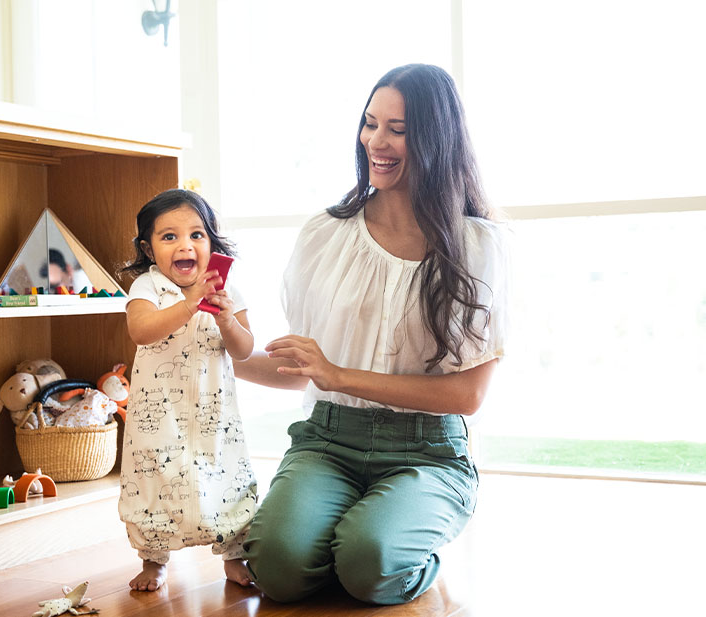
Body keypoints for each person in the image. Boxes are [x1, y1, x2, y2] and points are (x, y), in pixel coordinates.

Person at [235, 64, 510, 605]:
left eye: (398, 130)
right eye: (369, 124)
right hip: (329, 441)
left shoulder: (479, 247)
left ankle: (380, 542)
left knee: (371, 565)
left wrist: (339, 375)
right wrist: (207, 350)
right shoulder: (325, 235)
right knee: (276, 568)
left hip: (428, 451)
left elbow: (467, 396)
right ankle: (351, 538)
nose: (375, 142)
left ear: (435, 138)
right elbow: (301, 371)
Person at [117, 188, 258, 591]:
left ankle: (234, 554)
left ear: (211, 241)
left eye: (197, 235)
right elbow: (141, 331)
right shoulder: (148, 287)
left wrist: (228, 319)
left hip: (215, 416)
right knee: (154, 480)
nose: (186, 245)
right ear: (149, 248)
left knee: (227, 477)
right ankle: (153, 560)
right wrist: (189, 303)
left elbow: (244, 350)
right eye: (169, 237)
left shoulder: (227, 291)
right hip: (158, 415)